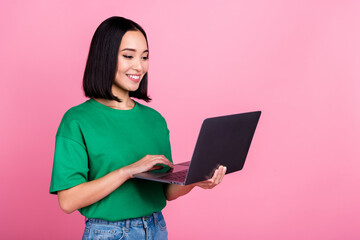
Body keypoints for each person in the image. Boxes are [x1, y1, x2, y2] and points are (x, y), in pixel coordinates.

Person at [49, 16, 227, 240]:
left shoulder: (155, 120)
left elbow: (166, 192)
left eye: (144, 57)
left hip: (155, 228)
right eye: (128, 56)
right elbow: (68, 200)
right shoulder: (77, 120)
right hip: (108, 233)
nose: (139, 66)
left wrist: (195, 180)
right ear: (104, 57)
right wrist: (128, 171)